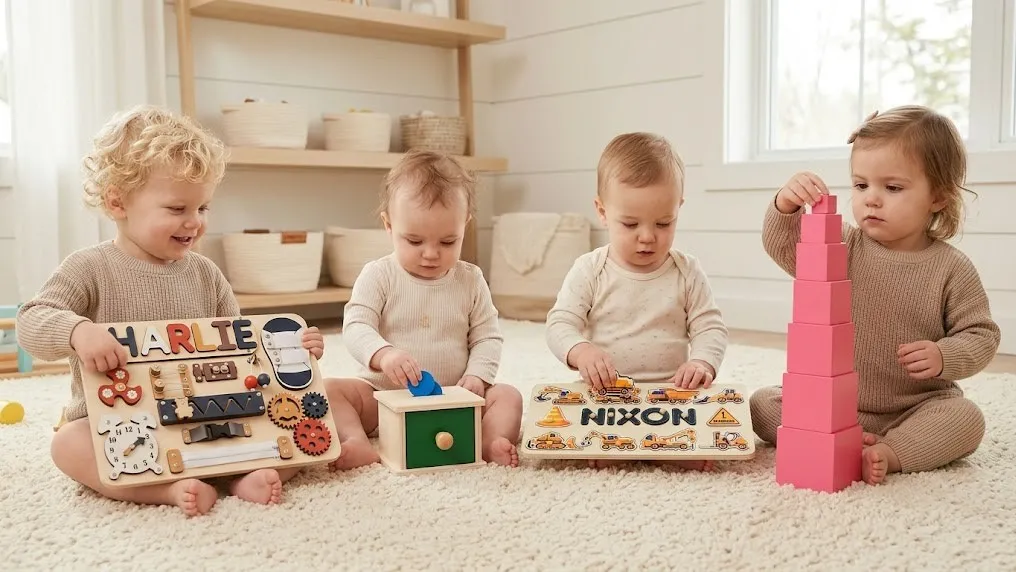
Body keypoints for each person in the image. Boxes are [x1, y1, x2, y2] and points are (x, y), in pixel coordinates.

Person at [16, 105, 325, 516]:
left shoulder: (206, 273)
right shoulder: (88, 267)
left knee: (302, 434)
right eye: (178, 209)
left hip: (210, 415)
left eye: (203, 208)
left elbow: (244, 348)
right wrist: (77, 332)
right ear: (117, 202)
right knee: (67, 444)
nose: (194, 222)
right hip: (122, 425)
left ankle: (234, 475)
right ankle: (164, 490)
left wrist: (292, 348)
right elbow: (32, 319)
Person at [750, 105, 1001, 485]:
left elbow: (981, 335)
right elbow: (784, 247)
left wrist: (943, 355)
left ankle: (890, 451)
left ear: (938, 197)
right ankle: (852, 440)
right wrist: (785, 205)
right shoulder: (845, 244)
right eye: (861, 185)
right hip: (834, 405)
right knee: (760, 404)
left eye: (893, 188)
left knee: (966, 420)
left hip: (915, 406)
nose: (871, 199)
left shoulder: (951, 268)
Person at [323, 150, 523, 471]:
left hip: (456, 396)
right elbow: (357, 327)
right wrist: (384, 355)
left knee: (509, 396)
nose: (431, 254)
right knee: (330, 390)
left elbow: (488, 337)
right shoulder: (379, 274)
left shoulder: (470, 279)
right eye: (414, 241)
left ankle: (488, 440)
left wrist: (476, 376)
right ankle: (356, 441)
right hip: (385, 396)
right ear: (389, 225)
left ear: (465, 225)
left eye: (447, 242)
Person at [545, 132, 729, 471]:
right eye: (630, 224)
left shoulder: (686, 271)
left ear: (679, 209)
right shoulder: (590, 269)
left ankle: (663, 446)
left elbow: (711, 327)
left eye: (664, 222)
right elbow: (560, 324)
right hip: (606, 396)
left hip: (674, 396)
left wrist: (702, 362)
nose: (647, 236)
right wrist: (581, 351)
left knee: (704, 448)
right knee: (587, 442)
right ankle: (625, 447)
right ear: (602, 211)